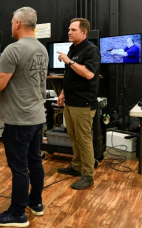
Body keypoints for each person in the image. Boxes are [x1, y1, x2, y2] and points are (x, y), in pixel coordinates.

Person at [0, 7, 48, 227]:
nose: (11, 25)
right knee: (35, 162)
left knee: (19, 167)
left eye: (11, 21)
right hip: (36, 116)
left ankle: (17, 213)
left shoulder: (13, 50)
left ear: (17, 23)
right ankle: (35, 203)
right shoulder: (42, 48)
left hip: (18, 120)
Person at [56, 18, 100, 190]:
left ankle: (88, 175)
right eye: (69, 29)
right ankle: (77, 166)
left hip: (83, 103)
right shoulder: (73, 48)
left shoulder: (91, 50)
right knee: (74, 138)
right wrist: (62, 93)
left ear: (84, 32)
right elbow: (71, 75)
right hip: (70, 101)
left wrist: (69, 61)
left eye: (73, 30)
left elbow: (89, 74)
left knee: (83, 140)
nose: (69, 32)